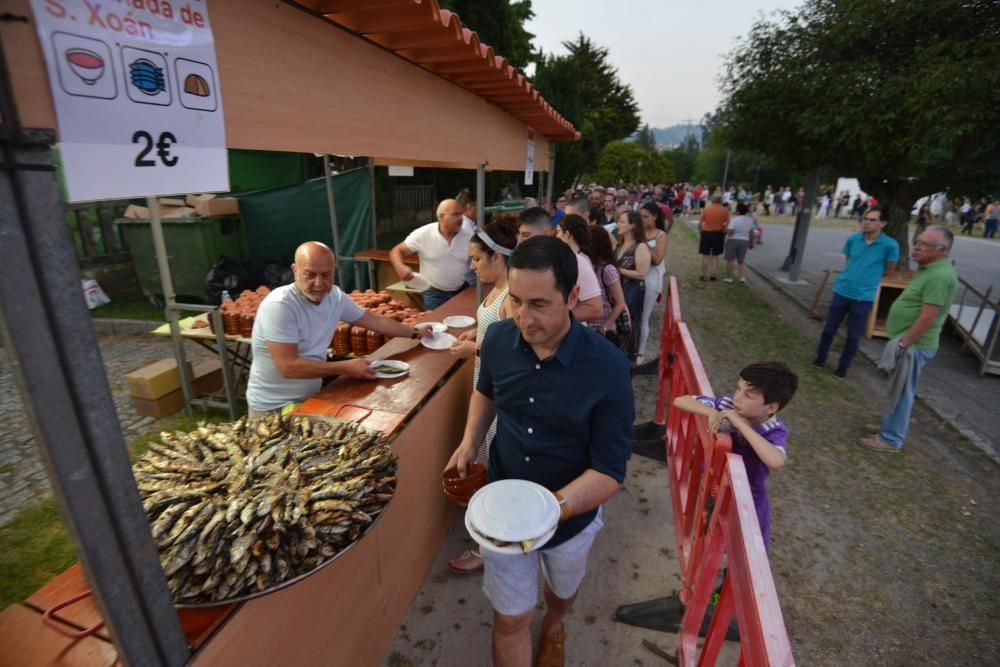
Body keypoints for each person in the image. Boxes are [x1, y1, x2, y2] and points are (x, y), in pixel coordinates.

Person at [445, 235, 633, 667]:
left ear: (571, 298)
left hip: (572, 520)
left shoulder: (608, 369)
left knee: (561, 592)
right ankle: (533, 625)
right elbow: (486, 392)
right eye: (515, 301)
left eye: (539, 305)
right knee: (511, 619)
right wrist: (469, 441)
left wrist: (550, 510)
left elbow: (609, 471)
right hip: (502, 513)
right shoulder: (495, 338)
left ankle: (555, 623)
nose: (523, 319)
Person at [246, 242, 433, 417]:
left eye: (326, 275)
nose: (319, 284)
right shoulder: (281, 306)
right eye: (310, 275)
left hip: (310, 397)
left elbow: (375, 320)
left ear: (334, 271)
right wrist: (344, 367)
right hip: (272, 408)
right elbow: (289, 367)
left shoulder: (334, 297)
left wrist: (415, 332)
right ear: (295, 271)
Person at [447, 218, 518, 574]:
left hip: (498, 399)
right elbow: (492, 329)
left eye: (476, 259)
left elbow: (514, 358)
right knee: (489, 467)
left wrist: (472, 349)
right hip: (486, 390)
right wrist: (475, 331)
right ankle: (490, 537)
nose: (472, 266)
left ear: (497, 257)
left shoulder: (510, 298)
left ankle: (488, 547)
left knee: (494, 474)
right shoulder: (496, 290)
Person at [673, 361, 798, 549]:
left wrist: (740, 424)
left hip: (747, 502)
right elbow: (680, 400)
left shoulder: (773, 430)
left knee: (742, 551)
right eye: (738, 389)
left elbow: (776, 460)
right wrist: (710, 412)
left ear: (771, 407)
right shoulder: (727, 404)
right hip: (716, 488)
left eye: (747, 395)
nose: (737, 398)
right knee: (710, 535)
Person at [859, 226, 958, 453]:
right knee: (897, 388)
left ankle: (891, 439)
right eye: (917, 241)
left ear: (942, 250)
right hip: (908, 342)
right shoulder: (929, 269)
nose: (916, 248)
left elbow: (927, 319)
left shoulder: (939, 276)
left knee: (903, 392)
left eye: (924, 245)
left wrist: (903, 344)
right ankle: (888, 427)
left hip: (914, 345)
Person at [812, 207, 900, 378]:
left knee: (853, 336)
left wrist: (869, 278)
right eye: (864, 218)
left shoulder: (890, 245)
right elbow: (849, 260)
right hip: (842, 291)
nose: (866, 222)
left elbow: (889, 269)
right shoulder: (853, 239)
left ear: (882, 223)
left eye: (871, 220)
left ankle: (843, 367)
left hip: (863, 297)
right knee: (829, 329)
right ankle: (820, 358)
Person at [389, 199, 474, 310]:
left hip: (461, 291)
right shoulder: (423, 234)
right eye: (455, 214)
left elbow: (478, 259)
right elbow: (396, 251)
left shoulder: (469, 235)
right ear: (441, 217)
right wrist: (400, 267)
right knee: (436, 326)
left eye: (461, 214)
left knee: (461, 325)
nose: (460, 218)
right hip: (434, 295)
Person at [554, 214, 605, 324]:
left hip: (572, 325)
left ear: (567, 234)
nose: (556, 236)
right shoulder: (579, 257)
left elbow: (595, 308)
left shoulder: (579, 260)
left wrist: (558, 320)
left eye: (558, 232)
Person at [584, 226, 628, 349]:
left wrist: (605, 326)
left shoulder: (607, 270)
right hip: (585, 328)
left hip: (603, 331)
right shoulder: (583, 267)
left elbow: (620, 303)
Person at [615, 211, 650, 362]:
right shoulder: (619, 245)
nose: (618, 224)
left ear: (632, 225)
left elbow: (642, 273)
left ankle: (627, 359)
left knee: (628, 326)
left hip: (631, 292)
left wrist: (619, 270)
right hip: (617, 291)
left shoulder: (640, 247)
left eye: (622, 222)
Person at [638, 202, 667, 360]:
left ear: (655, 217)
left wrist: (642, 243)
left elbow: (657, 259)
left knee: (644, 317)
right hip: (635, 278)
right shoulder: (639, 232)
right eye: (640, 216)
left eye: (646, 217)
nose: (642, 220)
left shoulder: (660, 235)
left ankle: (640, 353)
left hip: (651, 280)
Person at [698, 194, 730, 281]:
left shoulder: (706, 209)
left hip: (707, 233)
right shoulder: (725, 211)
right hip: (719, 234)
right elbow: (727, 224)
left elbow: (700, 223)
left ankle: (704, 275)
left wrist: (701, 231)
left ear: (712, 200)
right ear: (721, 201)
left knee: (705, 255)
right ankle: (713, 274)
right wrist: (724, 231)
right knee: (715, 255)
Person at [723, 202, 756, 284]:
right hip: (744, 241)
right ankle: (742, 277)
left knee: (730, 260)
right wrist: (751, 243)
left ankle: (729, 277)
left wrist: (725, 230)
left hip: (733, 240)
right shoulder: (750, 220)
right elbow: (751, 232)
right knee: (741, 260)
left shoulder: (734, 220)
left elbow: (730, 232)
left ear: (738, 211)